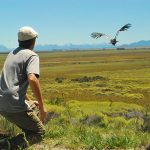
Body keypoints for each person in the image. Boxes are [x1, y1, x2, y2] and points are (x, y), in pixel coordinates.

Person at [0, 26, 47, 149]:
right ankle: (5, 146)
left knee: (32, 106)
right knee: (39, 132)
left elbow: (13, 83)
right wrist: (42, 107)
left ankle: (19, 136)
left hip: (1, 103)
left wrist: (29, 99)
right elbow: (32, 78)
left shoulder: (12, 53)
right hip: (13, 103)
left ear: (19, 41)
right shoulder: (32, 56)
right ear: (33, 41)